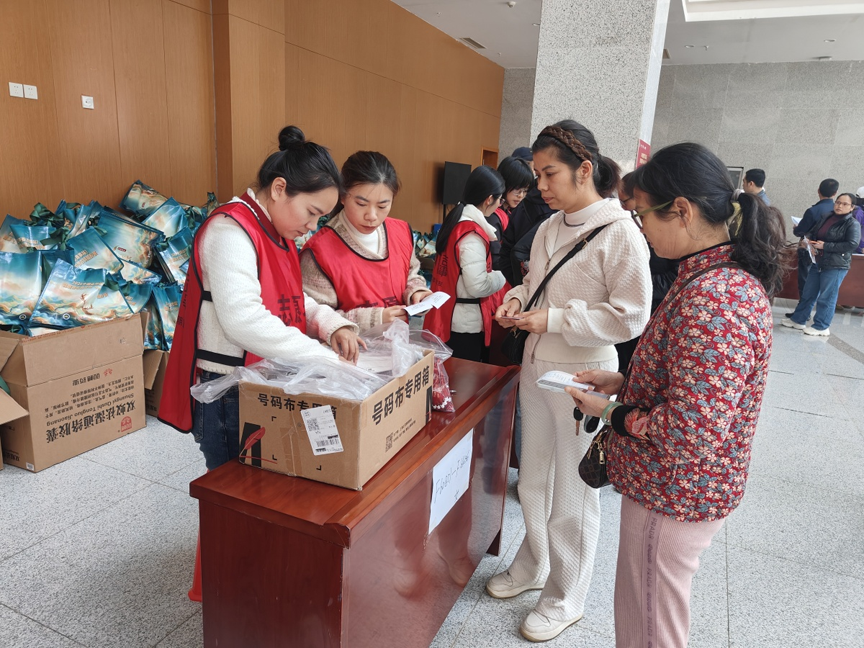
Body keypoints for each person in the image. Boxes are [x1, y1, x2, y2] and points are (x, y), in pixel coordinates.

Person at [568, 142, 785, 648]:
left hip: (672, 494)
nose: (640, 227)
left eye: (642, 214)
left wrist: (612, 412)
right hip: (679, 490)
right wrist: (626, 383)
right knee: (647, 615)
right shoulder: (713, 276)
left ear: (682, 210)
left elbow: (693, 432)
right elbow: (695, 385)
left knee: (649, 628)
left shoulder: (715, 297)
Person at [489, 120, 652, 642]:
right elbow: (536, 283)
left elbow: (631, 316)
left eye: (549, 173)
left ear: (585, 169)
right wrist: (518, 300)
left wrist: (555, 320)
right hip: (536, 365)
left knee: (575, 490)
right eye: (537, 175)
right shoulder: (550, 226)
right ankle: (534, 562)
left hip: (583, 375)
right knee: (533, 477)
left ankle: (567, 596)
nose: (540, 185)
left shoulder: (619, 231)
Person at [159, 126, 364, 470]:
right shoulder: (231, 231)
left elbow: (289, 296)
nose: (313, 225)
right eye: (311, 212)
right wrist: (321, 357)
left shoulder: (277, 231)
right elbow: (243, 320)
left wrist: (331, 325)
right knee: (236, 487)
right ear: (280, 189)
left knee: (268, 483)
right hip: (229, 387)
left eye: (320, 217)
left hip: (261, 377)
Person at [300, 150, 431, 332]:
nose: (372, 216)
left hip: (398, 344)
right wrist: (375, 318)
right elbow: (314, 318)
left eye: (382, 206)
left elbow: (410, 274)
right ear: (342, 196)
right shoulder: (319, 251)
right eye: (361, 204)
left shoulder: (400, 232)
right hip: (349, 349)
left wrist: (417, 292)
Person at [424, 165, 507, 362]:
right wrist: (501, 276)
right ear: (489, 199)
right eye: (500, 199)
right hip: (464, 323)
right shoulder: (472, 235)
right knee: (464, 377)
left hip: (449, 314)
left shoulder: (456, 221)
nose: (500, 204)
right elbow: (478, 286)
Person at [615, 171, 679, 370]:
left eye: (626, 202)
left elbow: (673, 278)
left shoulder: (711, 293)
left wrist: (633, 281)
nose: (622, 208)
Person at [782, 192, 861, 336]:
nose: (840, 206)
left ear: (852, 207)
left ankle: (821, 326)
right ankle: (798, 320)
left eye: (845, 204)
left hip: (835, 265)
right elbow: (813, 232)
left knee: (827, 297)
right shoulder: (827, 217)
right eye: (838, 202)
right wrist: (809, 242)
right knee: (808, 292)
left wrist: (826, 246)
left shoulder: (852, 224)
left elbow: (852, 244)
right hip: (817, 260)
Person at [792, 179, 838, 297]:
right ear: (835, 193)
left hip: (810, 249)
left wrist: (796, 228)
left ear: (818, 191)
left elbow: (800, 231)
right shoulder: (837, 211)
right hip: (831, 252)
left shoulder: (813, 211)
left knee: (806, 281)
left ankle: (804, 306)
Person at [487, 156, 534, 272]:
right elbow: (496, 259)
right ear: (505, 183)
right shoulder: (493, 216)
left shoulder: (509, 211)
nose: (521, 196)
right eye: (517, 190)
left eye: (525, 191)